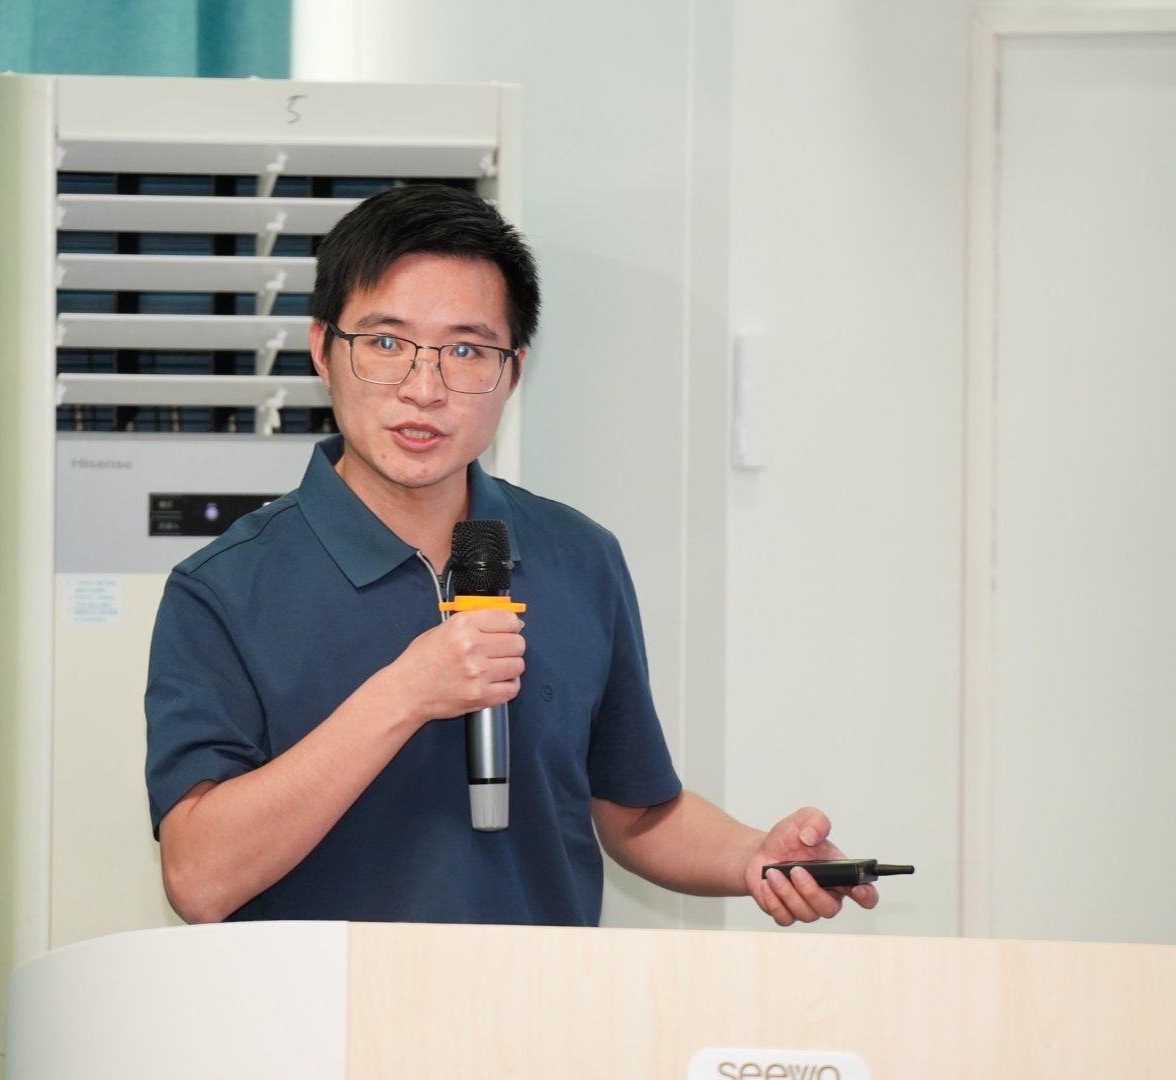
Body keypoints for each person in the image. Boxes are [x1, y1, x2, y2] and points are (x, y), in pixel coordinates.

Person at [144, 184, 879, 927]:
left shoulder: (580, 557)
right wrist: (405, 694)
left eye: (466, 351)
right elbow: (199, 878)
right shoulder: (224, 588)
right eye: (386, 344)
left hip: (538, 995)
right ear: (322, 350)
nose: (424, 389)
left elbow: (637, 814)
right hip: (324, 999)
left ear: (514, 373)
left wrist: (753, 857)